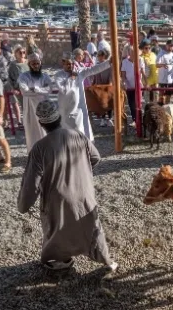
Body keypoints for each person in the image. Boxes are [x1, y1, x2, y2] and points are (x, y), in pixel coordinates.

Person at [17, 100, 117, 272]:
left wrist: (23, 205)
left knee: (57, 229)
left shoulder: (39, 149)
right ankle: (106, 260)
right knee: (91, 227)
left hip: (57, 200)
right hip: (85, 195)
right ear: (60, 118)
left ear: (41, 123)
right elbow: (96, 158)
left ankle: (60, 261)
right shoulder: (77, 135)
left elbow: (31, 186)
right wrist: (82, 173)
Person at [54, 51, 111, 141]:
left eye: (73, 64)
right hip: (65, 111)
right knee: (67, 137)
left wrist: (108, 63)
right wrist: (71, 78)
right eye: (68, 64)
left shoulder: (79, 72)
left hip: (78, 110)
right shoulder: (58, 76)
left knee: (80, 134)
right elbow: (64, 90)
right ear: (63, 62)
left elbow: (93, 69)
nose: (71, 66)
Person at [18, 53, 53, 151]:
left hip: (44, 108)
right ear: (29, 64)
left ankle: (48, 151)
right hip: (30, 109)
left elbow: (49, 89)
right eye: (33, 64)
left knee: (46, 129)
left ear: (40, 63)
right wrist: (41, 91)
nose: (36, 66)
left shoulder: (45, 76)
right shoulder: (23, 76)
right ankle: (34, 152)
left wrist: (36, 89)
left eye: (37, 63)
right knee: (31, 131)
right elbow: (24, 91)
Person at [121, 45, 145, 122]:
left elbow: (143, 73)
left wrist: (146, 83)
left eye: (136, 53)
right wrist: (124, 82)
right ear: (130, 53)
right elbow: (123, 75)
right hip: (129, 86)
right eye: (133, 53)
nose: (135, 55)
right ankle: (135, 120)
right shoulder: (124, 62)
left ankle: (139, 119)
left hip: (138, 85)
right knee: (131, 104)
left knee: (138, 103)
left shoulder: (140, 60)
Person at [156, 40, 173, 104]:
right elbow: (157, 65)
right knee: (161, 97)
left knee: (168, 97)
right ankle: (161, 109)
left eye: (172, 46)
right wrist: (163, 65)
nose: (170, 47)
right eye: (169, 45)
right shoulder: (161, 54)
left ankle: (166, 110)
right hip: (162, 80)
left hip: (171, 80)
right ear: (166, 45)